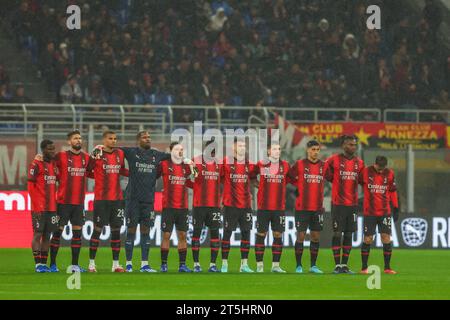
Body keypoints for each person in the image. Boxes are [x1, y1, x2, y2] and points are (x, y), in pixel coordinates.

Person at [48, 130, 91, 273]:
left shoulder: (86, 158)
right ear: (69, 142)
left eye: (80, 138)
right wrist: (39, 158)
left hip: (79, 203)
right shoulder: (61, 156)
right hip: (63, 202)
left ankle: (74, 265)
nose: (78, 140)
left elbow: (94, 170)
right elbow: (48, 163)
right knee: (57, 233)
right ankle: (52, 264)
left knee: (77, 234)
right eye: (75, 138)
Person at [87, 131, 129, 273]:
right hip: (101, 199)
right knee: (97, 230)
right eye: (110, 139)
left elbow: (122, 170)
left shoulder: (120, 154)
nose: (113, 141)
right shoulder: (97, 153)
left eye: (115, 139)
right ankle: (92, 264)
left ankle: (116, 264)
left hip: (117, 199)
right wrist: (98, 173)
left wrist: (135, 174)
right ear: (104, 140)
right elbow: (88, 170)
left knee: (116, 231)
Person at [325, 135, 364, 274]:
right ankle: (337, 265)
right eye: (350, 144)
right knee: (337, 233)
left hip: (352, 204)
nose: (353, 147)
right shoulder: (333, 159)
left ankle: (345, 265)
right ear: (343, 145)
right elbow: (325, 172)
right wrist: (333, 179)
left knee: (348, 234)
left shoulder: (359, 163)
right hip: (338, 203)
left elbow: (362, 180)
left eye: (354, 145)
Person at [288, 140, 328, 274]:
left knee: (315, 237)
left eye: (317, 149)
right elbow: (289, 177)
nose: (315, 152)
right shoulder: (300, 164)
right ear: (307, 150)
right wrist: (297, 187)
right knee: (300, 236)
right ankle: (298, 265)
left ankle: (313, 265)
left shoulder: (324, 166)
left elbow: (332, 178)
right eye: (313, 149)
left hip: (317, 208)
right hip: (302, 208)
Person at [158, 142, 196, 273]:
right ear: (170, 150)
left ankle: (182, 265)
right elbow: (154, 176)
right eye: (177, 149)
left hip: (183, 207)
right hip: (168, 206)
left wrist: (194, 170)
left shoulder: (186, 166)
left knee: (182, 235)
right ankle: (163, 265)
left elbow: (193, 183)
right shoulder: (164, 164)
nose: (180, 151)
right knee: (166, 235)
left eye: (182, 149)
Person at [220, 138, 256, 273]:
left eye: (244, 146)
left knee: (246, 233)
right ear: (233, 147)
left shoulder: (249, 164)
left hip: (246, 204)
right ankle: (224, 264)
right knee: (227, 233)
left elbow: (254, 179)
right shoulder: (226, 162)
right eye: (239, 145)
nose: (242, 148)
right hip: (231, 204)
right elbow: (219, 178)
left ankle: (244, 265)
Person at [253, 143, 291, 273]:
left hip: (279, 207)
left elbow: (289, 179)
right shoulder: (261, 164)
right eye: (274, 149)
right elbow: (252, 176)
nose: (277, 151)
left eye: (279, 149)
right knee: (261, 234)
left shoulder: (285, 165)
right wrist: (259, 186)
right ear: (268, 151)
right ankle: (259, 266)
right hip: (263, 207)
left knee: (277, 234)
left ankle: (275, 266)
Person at [359, 156, 399, 274]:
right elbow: (356, 183)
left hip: (384, 212)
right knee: (368, 239)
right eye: (379, 168)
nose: (381, 170)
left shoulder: (390, 174)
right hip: (369, 212)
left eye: (383, 168)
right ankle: (364, 268)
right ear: (375, 164)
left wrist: (396, 208)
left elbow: (392, 191)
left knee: (386, 238)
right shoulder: (366, 171)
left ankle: (387, 268)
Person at [187, 140, 222, 272]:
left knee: (215, 233)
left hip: (214, 205)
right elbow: (190, 178)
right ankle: (196, 264)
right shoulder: (195, 161)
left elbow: (223, 181)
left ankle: (212, 265)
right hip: (199, 204)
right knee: (196, 233)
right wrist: (195, 188)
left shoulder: (219, 163)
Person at [28, 140, 58, 272]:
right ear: (43, 150)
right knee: (38, 234)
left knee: (47, 235)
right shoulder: (36, 164)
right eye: (49, 149)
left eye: (53, 149)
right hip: (39, 208)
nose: (52, 151)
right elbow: (30, 187)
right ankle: (38, 264)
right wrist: (36, 205)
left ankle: (44, 264)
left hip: (52, 207)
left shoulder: (53, 165)